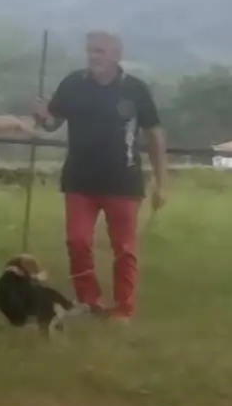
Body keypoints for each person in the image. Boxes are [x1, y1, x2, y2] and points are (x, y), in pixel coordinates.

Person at [34, 31, 168, 322]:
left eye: (101, 51)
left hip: (124, 181)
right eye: (91, 51)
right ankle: (88, 302)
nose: (94, 56)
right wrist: (43, 116)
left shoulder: (135, 90)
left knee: (124, 249)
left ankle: (123, 309)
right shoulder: (72, 84)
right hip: (80, 180)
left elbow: (154, 134)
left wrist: (162, 181)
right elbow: (52, 123)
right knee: (78, 242)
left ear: (116, 55)